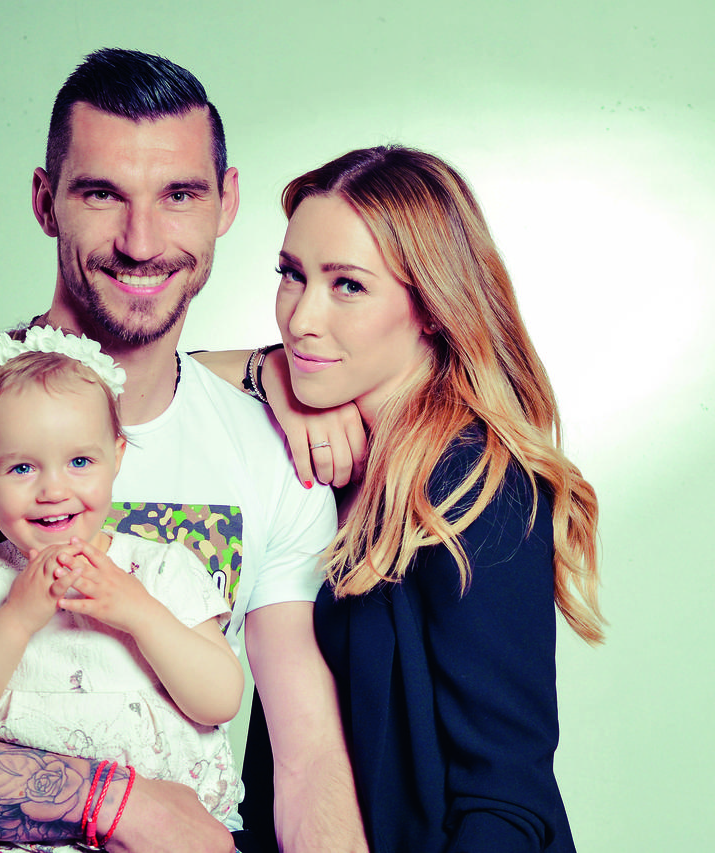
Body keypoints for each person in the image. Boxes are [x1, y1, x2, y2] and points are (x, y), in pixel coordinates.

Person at [0, 48, 365, 853]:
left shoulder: (276, 450)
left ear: (226, 202)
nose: (142, 240)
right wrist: (124, 805)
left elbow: (307, 760)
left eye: (180, 194)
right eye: (102, 193)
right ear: (45, 201)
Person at [240, 146, 605, 851]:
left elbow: (506, 798)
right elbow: (145, 386)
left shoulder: (476, 487)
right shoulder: (319, 456)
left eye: (348, 285)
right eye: (292, 274)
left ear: (432, 308)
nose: (302, 318)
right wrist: (267, 372)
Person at [0, 328, 245, 852]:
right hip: (20, 829)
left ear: (117, 456)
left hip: (162, 827)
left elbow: (219, 700)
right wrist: (16, 618)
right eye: (22, 467)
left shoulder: (162, 567)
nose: (54, 489)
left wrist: (139, 612)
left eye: (80, 462)